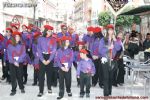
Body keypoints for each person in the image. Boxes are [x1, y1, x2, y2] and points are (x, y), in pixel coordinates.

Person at [99, 24, 122, 96]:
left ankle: (109, 92)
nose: (110, 31)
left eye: (111, 30)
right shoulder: (103, 39)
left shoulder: (116, 40)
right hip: (105, 60)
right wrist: (108, 47)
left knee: (111, 77)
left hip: (113, 61)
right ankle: (105, 94)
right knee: (106, 77)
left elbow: (118, 49)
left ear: (113, 31)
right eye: (109, 30)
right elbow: (100, 50)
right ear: (107, 31)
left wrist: (116, 41)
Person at [37, 25, 57, 97]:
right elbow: (38, 49)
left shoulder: (54, 39)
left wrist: (49, 60)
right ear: (45, 31)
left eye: (51, 31)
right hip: (42, 56)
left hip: (50, 57)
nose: (50, 32)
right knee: (41, 75)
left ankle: (49, 88)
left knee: (49, 74)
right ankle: (41, 91)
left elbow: (54, 50)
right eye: (48, 31)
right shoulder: (40, 39)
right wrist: (42, 59)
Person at [7, 31, 26, 96]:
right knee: (13, 77)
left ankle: (21, 87)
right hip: (12, 63)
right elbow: (9, 55)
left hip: (19, 63)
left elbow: (23, 54)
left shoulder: (22, 45)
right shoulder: (9, 45)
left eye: (18, 36)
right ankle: (13, 90)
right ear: (13, 37)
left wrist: (18, 61)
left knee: (20, 76)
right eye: (16, 36)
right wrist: (14, 61)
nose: (17, 37)